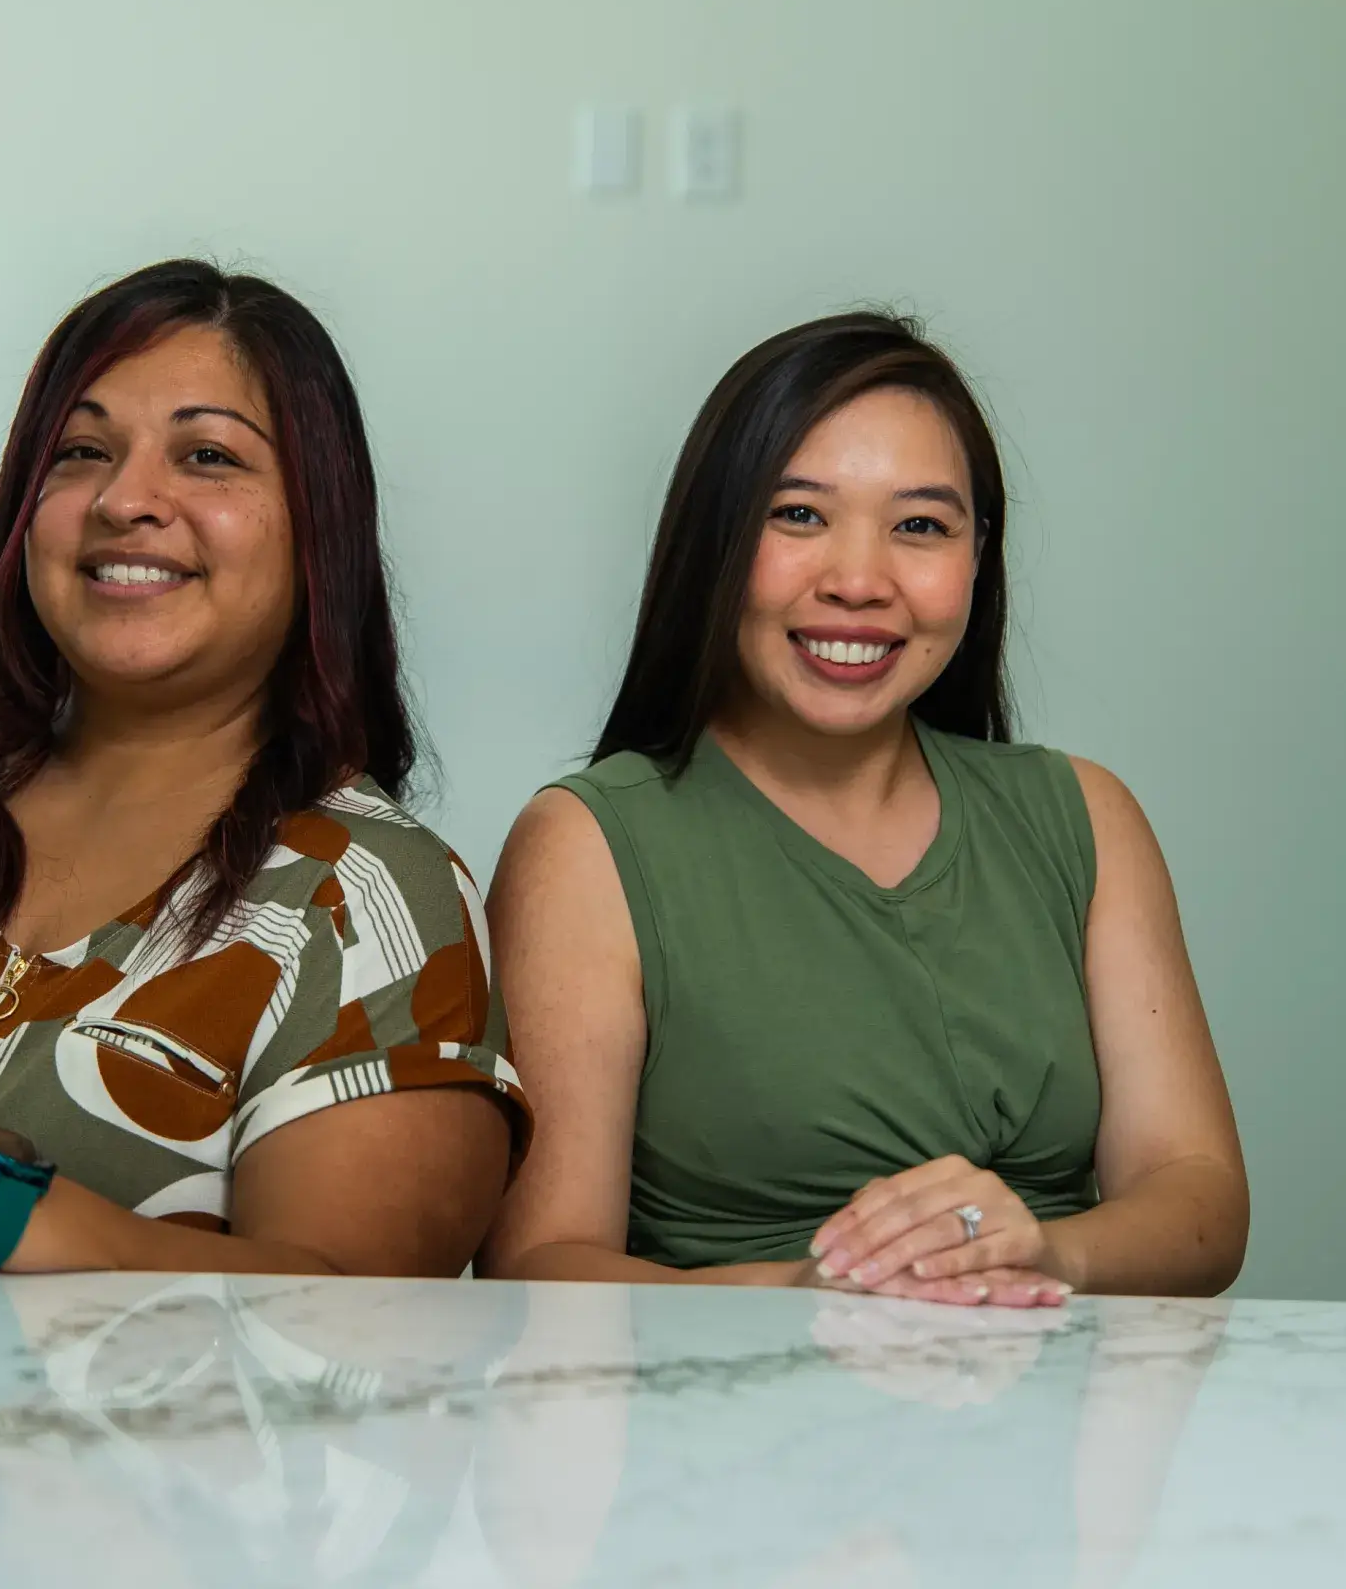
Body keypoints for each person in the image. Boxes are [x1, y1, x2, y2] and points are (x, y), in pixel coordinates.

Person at [0, 259, 527, 1313]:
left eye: (208, 456)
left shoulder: (373, 897)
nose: (125, 500)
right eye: (80, 453)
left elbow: (358, 1314)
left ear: (318, 530)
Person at [481, 311, 1247, 1307]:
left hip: (1053, 1426)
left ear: (979, 559)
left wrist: (1044, 1254)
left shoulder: (1086, 816)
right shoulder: (585, 844)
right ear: (715, 539)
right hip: (732, 1430)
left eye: (920, 525)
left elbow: (1198, 1198)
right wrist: (819, 1291)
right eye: (797, 514)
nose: (857, 580)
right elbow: (532, 1267)